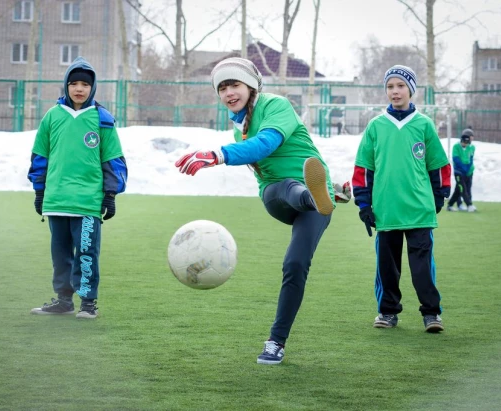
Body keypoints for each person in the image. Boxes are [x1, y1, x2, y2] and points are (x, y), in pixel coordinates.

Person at [174, 57, 351, 364]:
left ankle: (276, 342)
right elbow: (259, 158)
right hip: (276, 196)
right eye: (223, 87)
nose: (230, 92)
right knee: (284, 187)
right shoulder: (238, 128)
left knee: (295, 265)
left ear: (252, 85)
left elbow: (266, 143)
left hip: (314, 203)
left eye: (235, 84)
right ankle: (316, 194)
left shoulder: (275, 105)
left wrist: (217, 155)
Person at [352, 65, 451, 333]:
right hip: (386, 211)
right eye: (390, 86)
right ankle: (387, 312)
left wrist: (440, 194)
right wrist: (364, 204)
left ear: (410, 89)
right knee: (387, 268)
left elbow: (439, 165)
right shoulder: (375, 126)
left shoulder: (423, 124)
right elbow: (363, 169)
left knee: (422, 269)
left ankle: (431, 314)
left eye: (400, 86)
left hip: (419, 210)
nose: (394, 91)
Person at [27, 56, 127, 319]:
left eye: (85, 84)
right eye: (74, 83)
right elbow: (40, 156)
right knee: (60, 255)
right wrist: (40, 190)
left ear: (92, 87)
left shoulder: (102, 119)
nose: (79, 89)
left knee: (86, 254)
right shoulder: (52, 116)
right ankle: (63, 301)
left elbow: (112, 159)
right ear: (66, 86)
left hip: (87, 202)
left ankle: (88, 304)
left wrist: (110, 194)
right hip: (57, 200)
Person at [447, 129, 476, 212]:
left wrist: (468, 169)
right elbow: (456, 159)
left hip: (468, 172)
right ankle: (469, 205)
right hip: (459, 172)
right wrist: (463, 168)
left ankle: (450, 205)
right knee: (462, 189)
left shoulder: (472, 147)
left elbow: (471, 159)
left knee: (459, 189)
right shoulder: (456, 147)